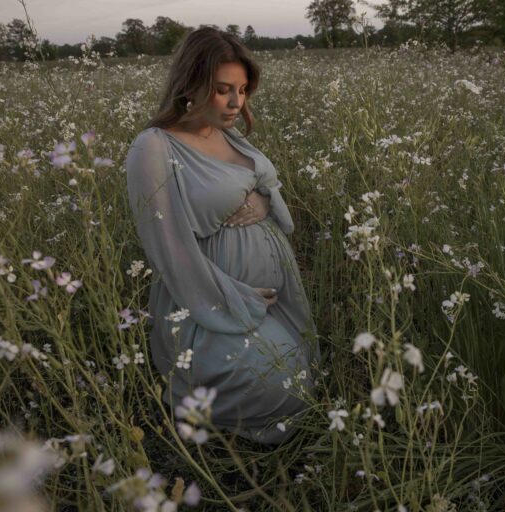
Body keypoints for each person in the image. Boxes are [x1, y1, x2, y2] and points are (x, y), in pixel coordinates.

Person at [125, 27, 320, 445]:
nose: (237, 102)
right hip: (208, 305)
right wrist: (234, 297)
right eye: (223, 90)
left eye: (243, 89)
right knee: (279, 381)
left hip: (271, 297)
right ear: (190, 84)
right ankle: (203, 423)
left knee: (303, 375)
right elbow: (168, 250)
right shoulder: (153, 147)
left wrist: (265, 203)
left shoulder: (225, 131)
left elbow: (257, 186)